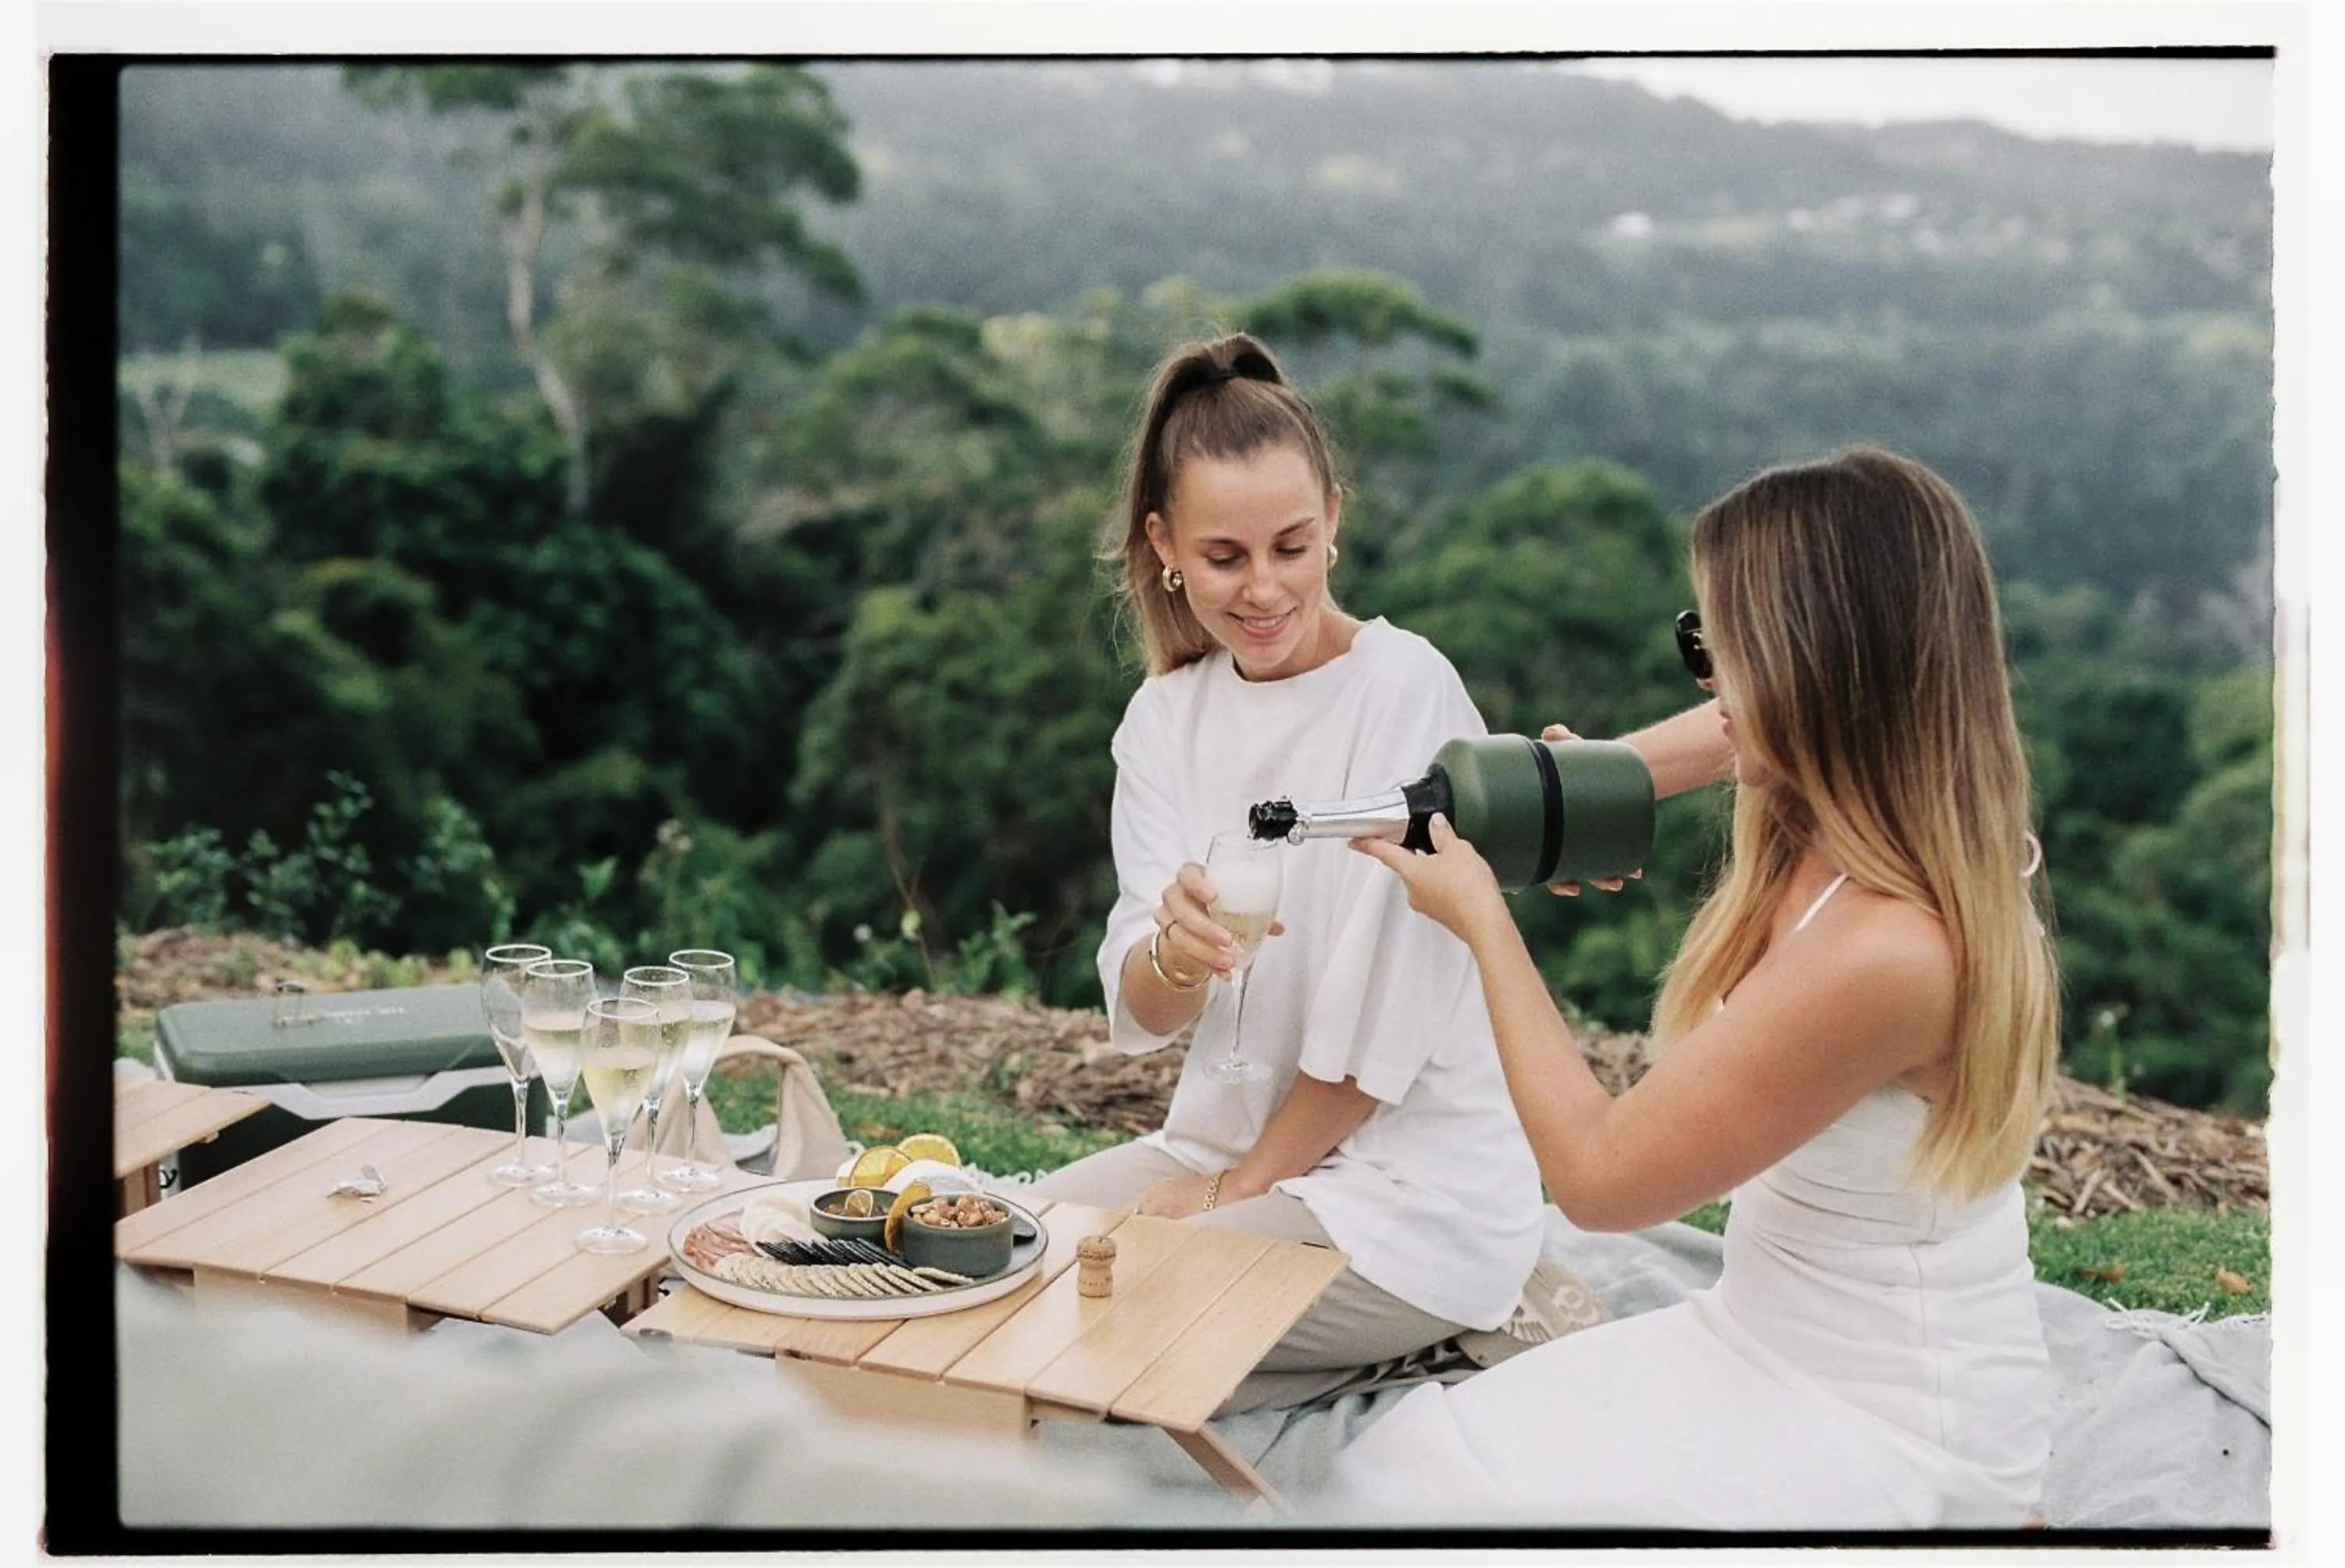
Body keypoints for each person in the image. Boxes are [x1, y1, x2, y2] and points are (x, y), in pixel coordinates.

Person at [1329, 446, 2060, 1529]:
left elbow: (1600, 1182)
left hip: (1887, 1417)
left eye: (1721, 651)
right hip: (1757, 1330)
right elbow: (1718, 738)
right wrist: (1569, 785)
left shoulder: (1888, 953)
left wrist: (1485, 920)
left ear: (1817, 672)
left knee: (1431, 1504)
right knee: (1400, 1461)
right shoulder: (1851, 806)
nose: (1708, 680)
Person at [1023, 331, 1548, 1412]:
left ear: (1335, 523)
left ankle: (1390, 1346)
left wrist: (1225, 1193)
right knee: (1001, 1256)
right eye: (1225, 557)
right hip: (1227, 1147)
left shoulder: (1406, 690)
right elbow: (1145, 1001)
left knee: (1105, 1318)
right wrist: (1172, 951)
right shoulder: (1165, 718)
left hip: (1406, 1198)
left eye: (1291, 547)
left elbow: (1373, 1046)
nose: (1263, 588)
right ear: (1163, 543)